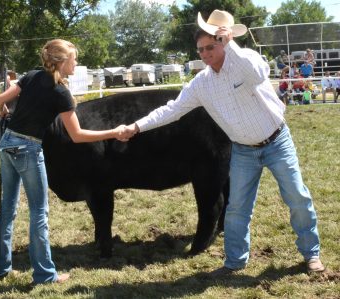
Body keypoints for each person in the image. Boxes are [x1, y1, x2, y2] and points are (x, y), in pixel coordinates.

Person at [124, 9, 325, 274]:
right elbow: (172, 109)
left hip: (277, 142)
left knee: (297, 197)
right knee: (236, 208)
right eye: (200, 49)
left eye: (211, 46)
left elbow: (258, 74)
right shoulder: (201, 84)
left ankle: (311, 254)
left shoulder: (247, 59)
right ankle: (234, 261)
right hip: (243, 150)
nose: (205, 54)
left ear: (224, 42)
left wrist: (232, 45)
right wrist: (138, 125)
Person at [0, 39, 132, 285]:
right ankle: (45, 275)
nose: (76, 62)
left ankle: (0, 269)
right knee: (39, 213)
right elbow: (77, 135)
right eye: (74, 58)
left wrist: (3, 112)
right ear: (63, 61)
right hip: (29, 149)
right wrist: (113, 132)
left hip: (7, 145)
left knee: (7, 211)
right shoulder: (61, 93)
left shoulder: (31, 76)